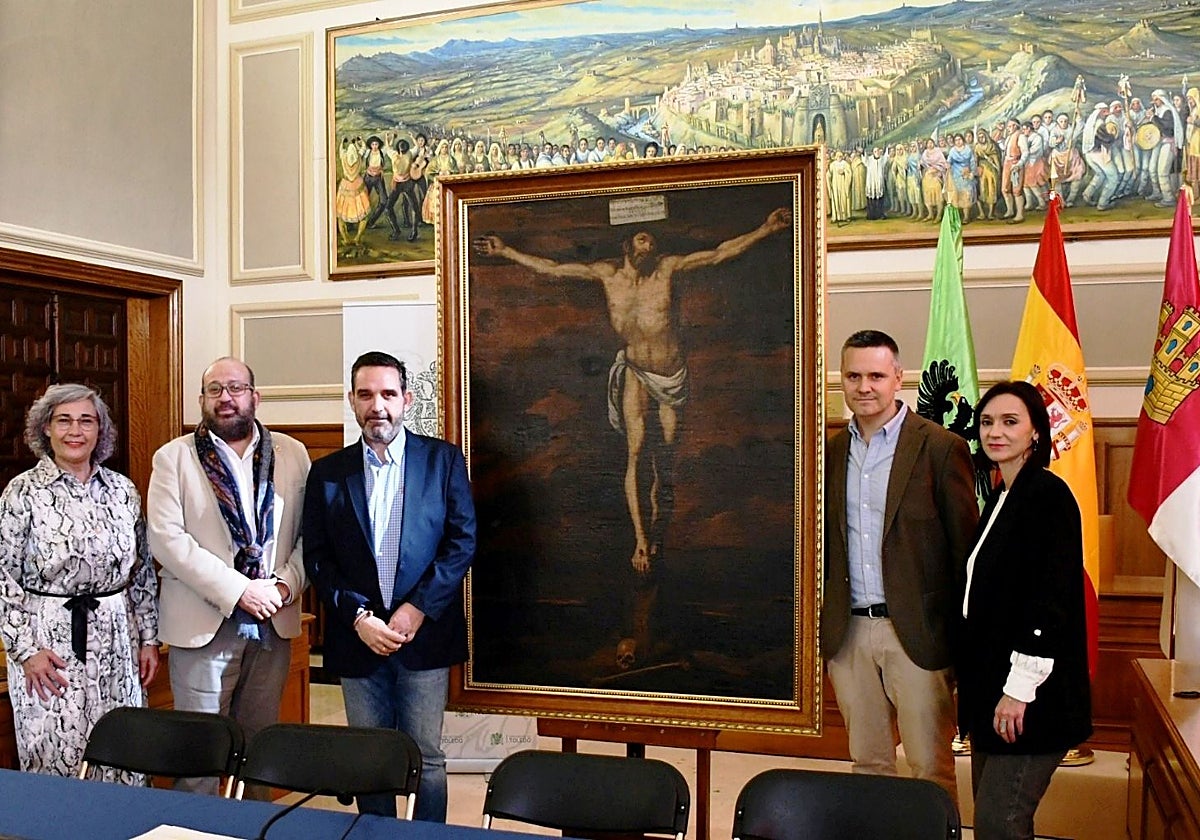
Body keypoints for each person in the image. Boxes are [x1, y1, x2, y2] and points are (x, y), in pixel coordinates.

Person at [474, 207, 791, 578]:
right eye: (643, 238)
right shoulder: (607, 275)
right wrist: (507, 252)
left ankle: (658, 534)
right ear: (627, 244)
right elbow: (554, 268)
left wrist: (765, 229)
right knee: (636, 453)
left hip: (671, 375)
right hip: (636, 372)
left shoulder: (668, 269)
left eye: (653, 241)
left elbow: (720, 253)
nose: (649, 245)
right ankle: (641, 540)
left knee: (665, 462)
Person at [303, 351, 476, 822]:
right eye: (365, 395)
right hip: (357, 637)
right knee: (370, 755)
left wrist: (416, 609)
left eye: (387, 393)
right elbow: (316, 558)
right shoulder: (328, 473)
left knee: (427, 756)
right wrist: (360, 618)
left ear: (406, 399)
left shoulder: (442, 461)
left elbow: (462, 543)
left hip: (423, 636)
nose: (376, 405)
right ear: (352, 402)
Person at [821, 330, 978, 803]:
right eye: (853, 375)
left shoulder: (939, 447)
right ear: (841, 381)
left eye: (875, 375)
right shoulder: (826, 453)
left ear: (898, 379)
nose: (863, 386)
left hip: (917, 633)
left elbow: (963, 552)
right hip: (847, 632)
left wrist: (960, 639)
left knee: (930, 767)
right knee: (868, 764)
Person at [147, 357, 309, 798]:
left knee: (259, 752)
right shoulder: (173, 458)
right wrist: (238, 590)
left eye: (236, 388)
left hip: (273, 621)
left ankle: (254, 829)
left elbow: (310, 537)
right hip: (204, 624)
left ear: (255, 397)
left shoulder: (293, 454)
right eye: (215, 389)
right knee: (201, 751)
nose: (226, 398)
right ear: (201, 400)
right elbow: (167, 541)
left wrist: (282, 586)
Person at [0, 384, 159, 780]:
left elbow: (140, 571)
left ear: (100, 431)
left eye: (86, 420)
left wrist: (150, 639)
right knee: (56, 756)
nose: (76, 430)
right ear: (46, 429)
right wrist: (25, 651)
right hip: (47, 646)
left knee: (124, 752)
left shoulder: (123, 490)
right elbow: (4, 577)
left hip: (118, 640)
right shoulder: (21, 493)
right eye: (64, 420)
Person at [957, 380, 1092, 840]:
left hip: (1030, 698)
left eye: (1010, 422)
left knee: (1001, 823)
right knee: (994, 824)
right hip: (989, 694)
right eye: (988, 421)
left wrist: (1018, 691)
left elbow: (1050, 602)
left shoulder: (1047, 496)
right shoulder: (1001, 496)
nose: (995, 431)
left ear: (1036, 432)